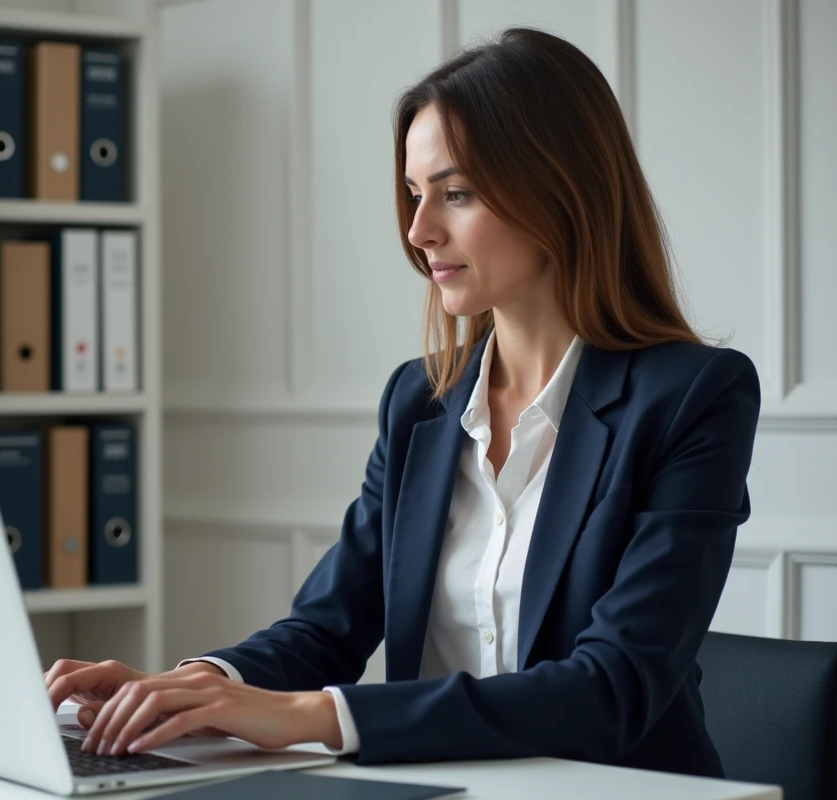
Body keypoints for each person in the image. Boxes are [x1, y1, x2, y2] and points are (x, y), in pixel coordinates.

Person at [45, 27, 759, 778]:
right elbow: (327, 626)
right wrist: (196, 687)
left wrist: (314, 715)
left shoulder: (691, 398)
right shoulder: (419, 401)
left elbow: (611, 689)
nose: (420, 232)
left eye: (456, 194)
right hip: (442, 786)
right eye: (416, 195)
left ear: (562, 189)